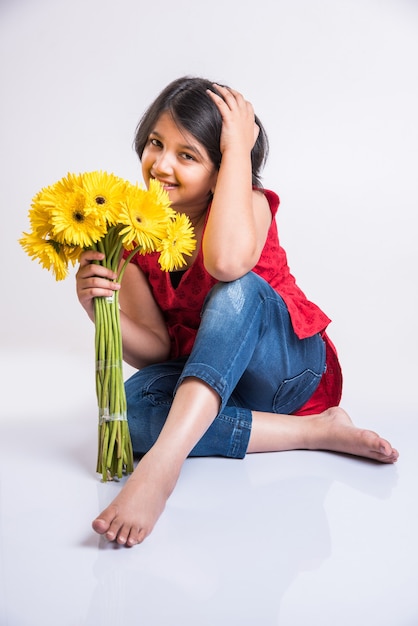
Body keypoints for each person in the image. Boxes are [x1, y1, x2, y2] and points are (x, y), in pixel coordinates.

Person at [76, 76, 398, 547]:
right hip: (212, 391)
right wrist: (98, 308)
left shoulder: (249, 203)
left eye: (187, 156)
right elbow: (157, 349)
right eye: (155, 144)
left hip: (287, 372)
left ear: (224, 167)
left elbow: (227, 263)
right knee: (126, 411)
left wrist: (238, 151)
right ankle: (312, 432)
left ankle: (163, 466)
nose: (161, 164)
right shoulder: (130, 236)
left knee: (236, 287)